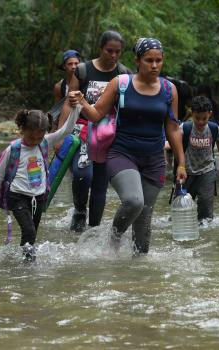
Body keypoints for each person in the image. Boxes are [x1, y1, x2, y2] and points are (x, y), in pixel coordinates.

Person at [68, 37, 186, 254]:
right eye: (149, 60)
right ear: (137, 60)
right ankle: (112, 242)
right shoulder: (120, 83)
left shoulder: (170, 90)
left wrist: (181, 163)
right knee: (133, 201)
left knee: (144, 221)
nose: (154, 65)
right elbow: (96, 114)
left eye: (158, 60)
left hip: (154, 160)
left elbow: (173, 128)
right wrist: (82, 102)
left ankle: (137, 274)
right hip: (122, 154)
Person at [57, 30, 132, 232]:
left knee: (100, 183)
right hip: (82, 129)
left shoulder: (124, 74)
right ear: (100, 49)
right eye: (109, 51)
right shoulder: (83, 70)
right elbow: (68, 103)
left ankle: (93, 229)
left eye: (118, 52)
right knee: (83, 175)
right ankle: (80, 210)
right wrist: (59, 135)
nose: (113, 56)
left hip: (109, 134)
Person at [0, 107, 79, 262]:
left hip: (38, 197)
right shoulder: (13, 149)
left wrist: (76, 108)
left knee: (32, 232)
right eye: (31, 138)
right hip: (17, 196)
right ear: (22, 129)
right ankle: (28, 265)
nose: (35, 141)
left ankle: (24, 260)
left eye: (39, 137)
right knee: (29, 231)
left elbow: (66, 130)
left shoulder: (45, 143)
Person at [180, 96, 219, 222]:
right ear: (192, 113)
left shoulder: (213, 128)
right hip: (186, 173)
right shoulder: (184, 128)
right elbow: (174, 145)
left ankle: (205, 235)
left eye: (204, 119)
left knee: (206, 207)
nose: (201, 122)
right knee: (181, 208)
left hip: (207, 171)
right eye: (197, 118)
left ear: (210, 114)